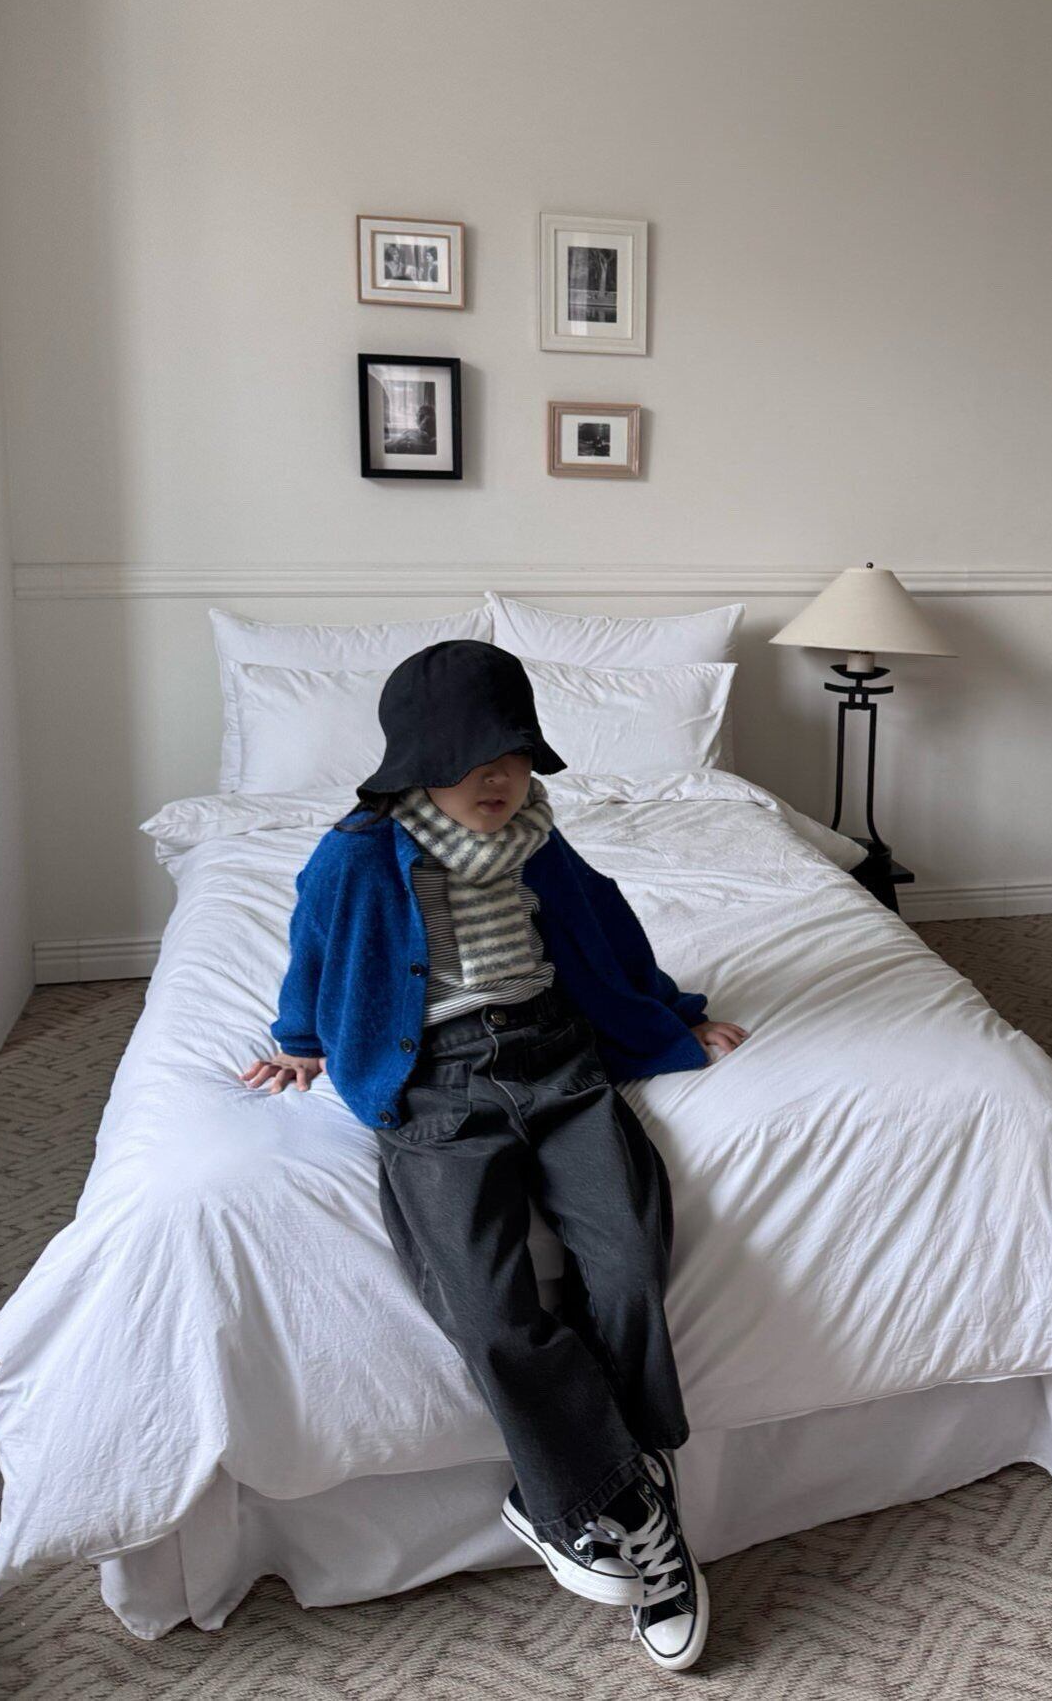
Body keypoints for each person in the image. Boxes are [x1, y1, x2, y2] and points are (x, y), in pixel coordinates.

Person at [240, 639, 749, 1672]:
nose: (498, 778)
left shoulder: (536, 837)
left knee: (626, 1253)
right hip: (435, 1083)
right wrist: (299, 1039)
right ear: (417, 764)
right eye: (473, 761)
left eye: (514, 756)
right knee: (483, 1301)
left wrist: (671, 1014)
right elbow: (316, 946)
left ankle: (582, 1483)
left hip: (556, 1059)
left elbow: (603, 932)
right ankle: (625, 1497)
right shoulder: (357, 852)